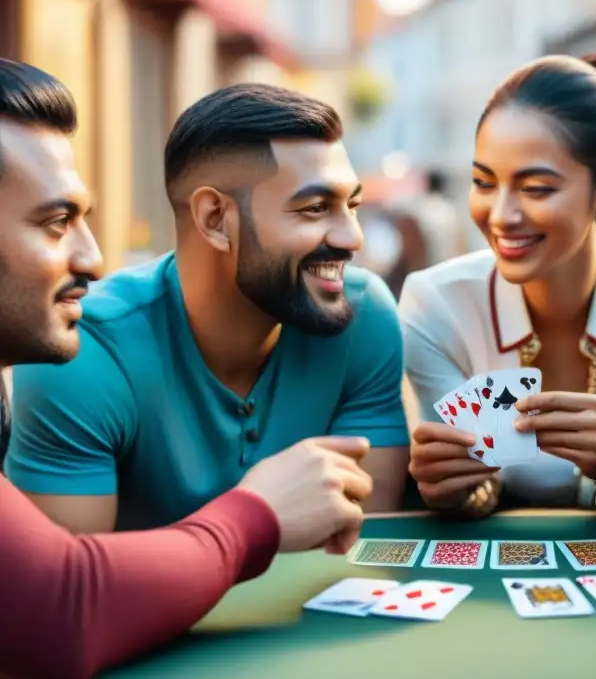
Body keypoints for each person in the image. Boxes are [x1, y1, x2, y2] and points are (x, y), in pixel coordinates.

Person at [0, 59, 374, 679]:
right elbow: (56, 612)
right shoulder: (97, 350)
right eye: (57, 222)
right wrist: (258, 515)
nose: (91, 257)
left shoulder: (365, 315)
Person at [4, 83, 410, 533]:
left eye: (351, 206)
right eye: (315, 209)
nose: (353, 238)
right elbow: (70, 588)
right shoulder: (82, 345)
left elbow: (369, 552)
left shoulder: (362, 315)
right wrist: (251, 521)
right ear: (215, 219)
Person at [400, 54, 596, 518]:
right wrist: (456, 490)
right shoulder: (434, 303)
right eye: (483, 182)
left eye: (536, 188)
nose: (500, 215)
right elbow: (475, 479)